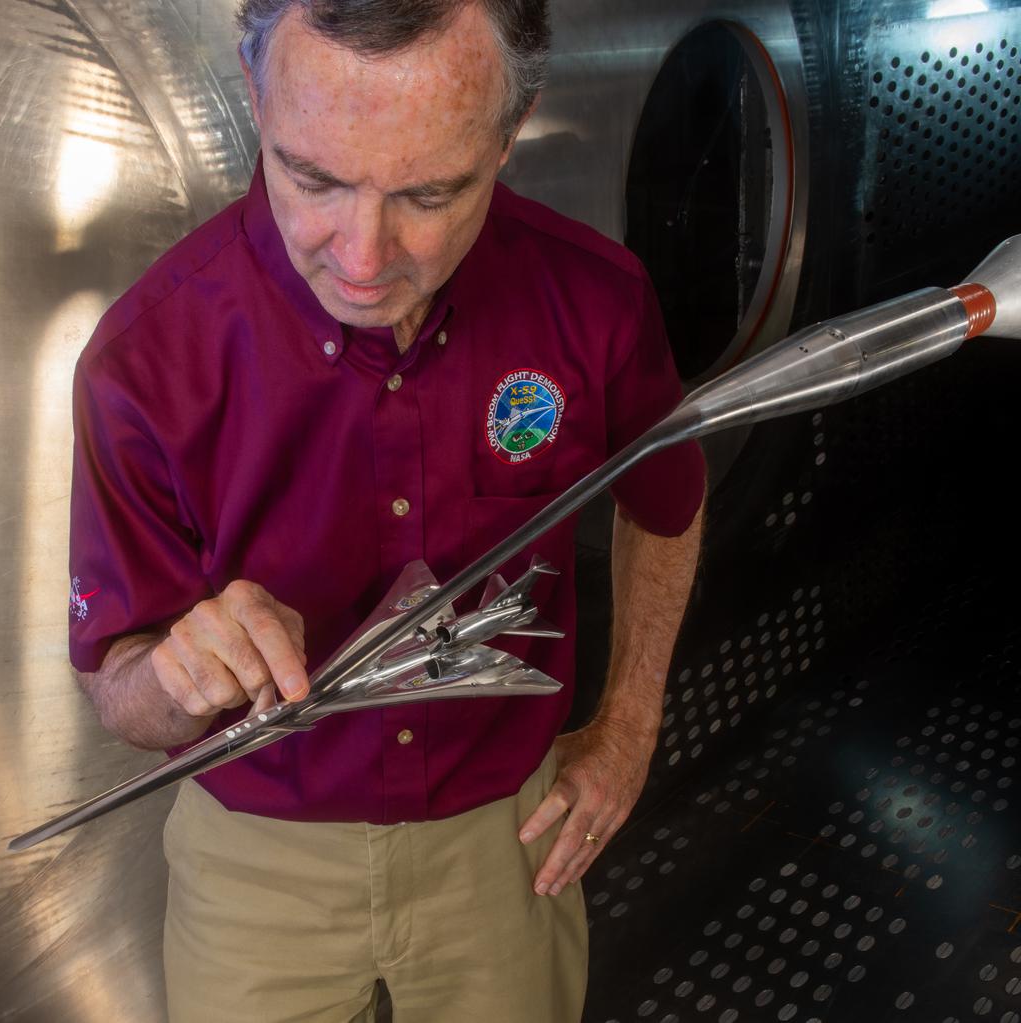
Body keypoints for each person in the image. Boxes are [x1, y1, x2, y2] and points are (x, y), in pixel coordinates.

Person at [67, 0, 706, 1019]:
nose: (362, 260)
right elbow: (118, 687)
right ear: (252, 91)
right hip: (254, 864)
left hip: (505, 842)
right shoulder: (143, 360)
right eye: (311, 178)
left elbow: (667, 497)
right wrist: (176, 679)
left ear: (510, 130)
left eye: (429, 192)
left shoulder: (594, 301)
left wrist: (627, 725)